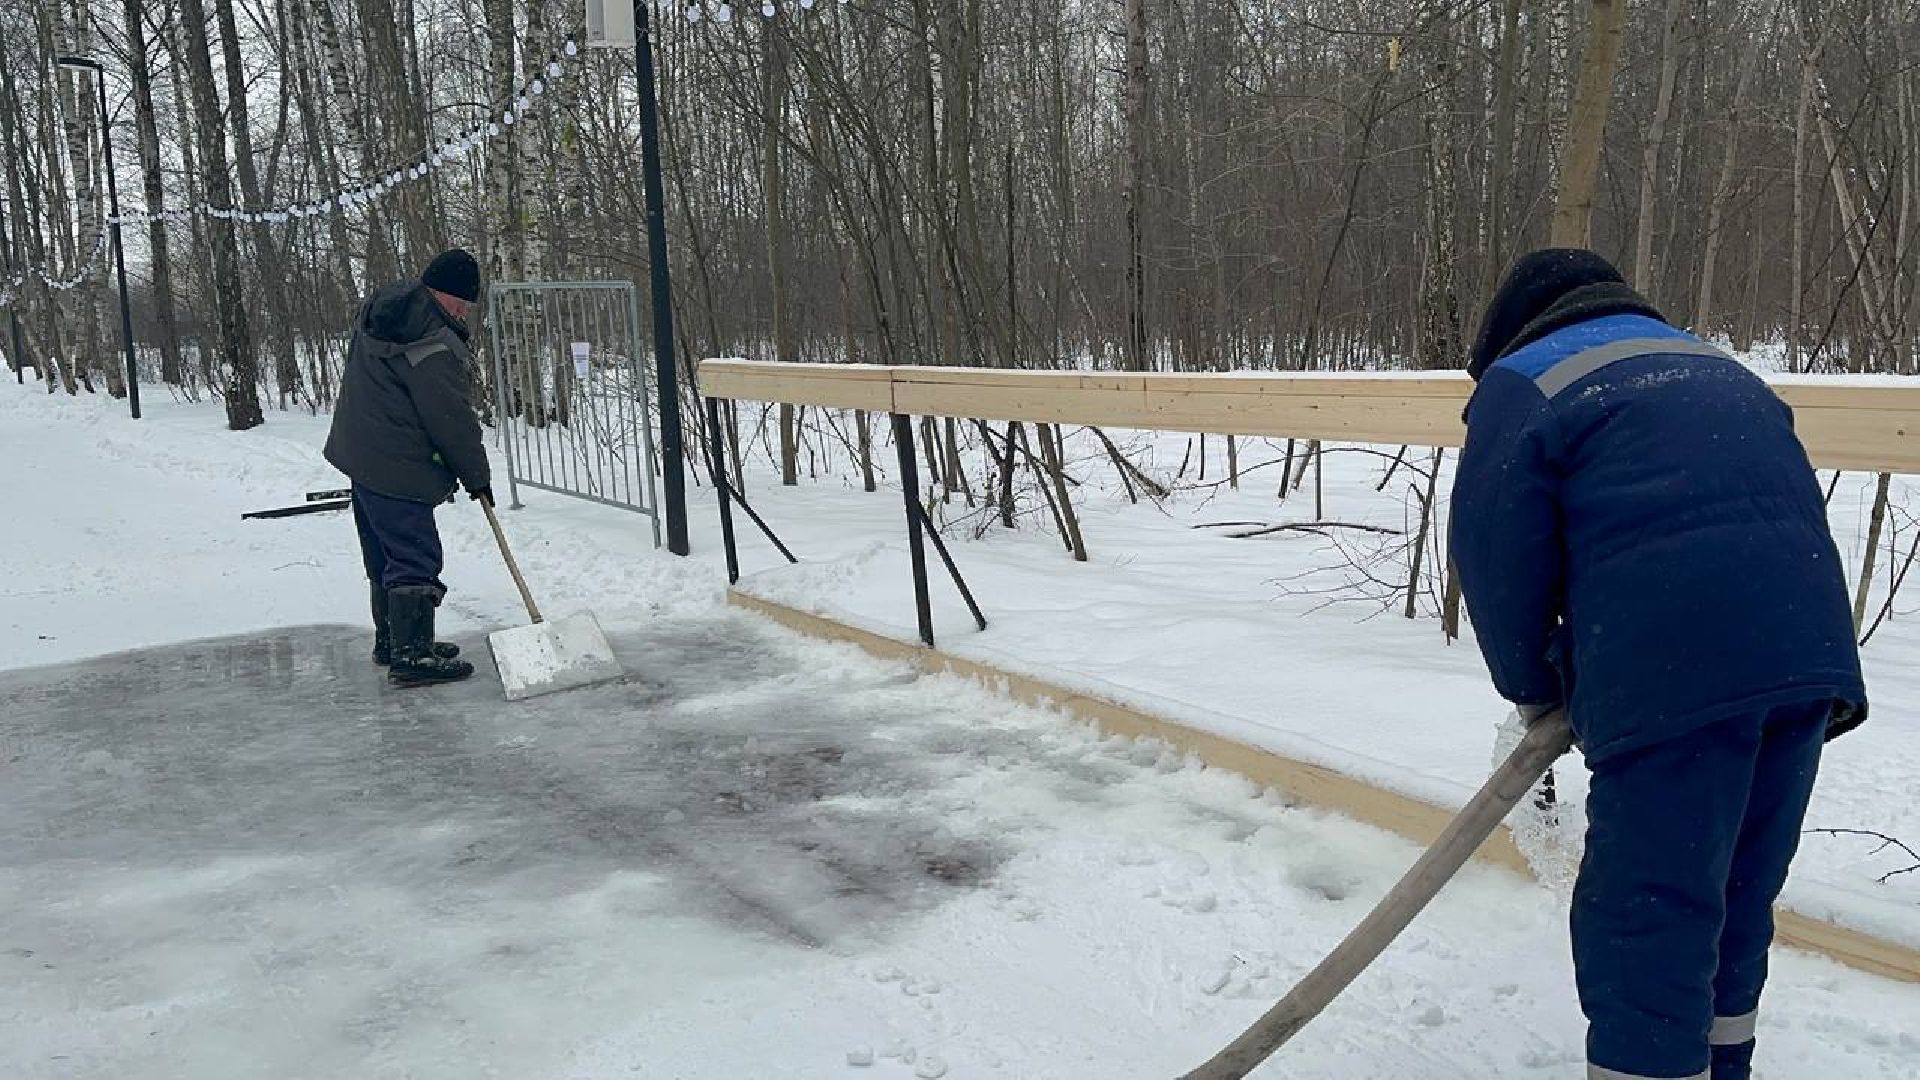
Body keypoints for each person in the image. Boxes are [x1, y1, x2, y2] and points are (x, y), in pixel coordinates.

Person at [1450, 249, 1868, 1080]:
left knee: (1649, 915)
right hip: (1807, 655)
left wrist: (1536, 690)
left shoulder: (1525, 377)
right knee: (1735, 898)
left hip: (1678, 670)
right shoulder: (1718, 365)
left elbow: (1495, 556)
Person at [324, 249, 492, 688]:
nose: (463, 311)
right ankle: (412, 656)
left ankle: (393, 640)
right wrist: (477, 476)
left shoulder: (388, 311)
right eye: (461, 303)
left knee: (384, 551)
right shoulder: (430, 339)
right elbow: (450, 416)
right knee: (414, 554)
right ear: (444, 294)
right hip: (397, 462)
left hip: (361, 451)